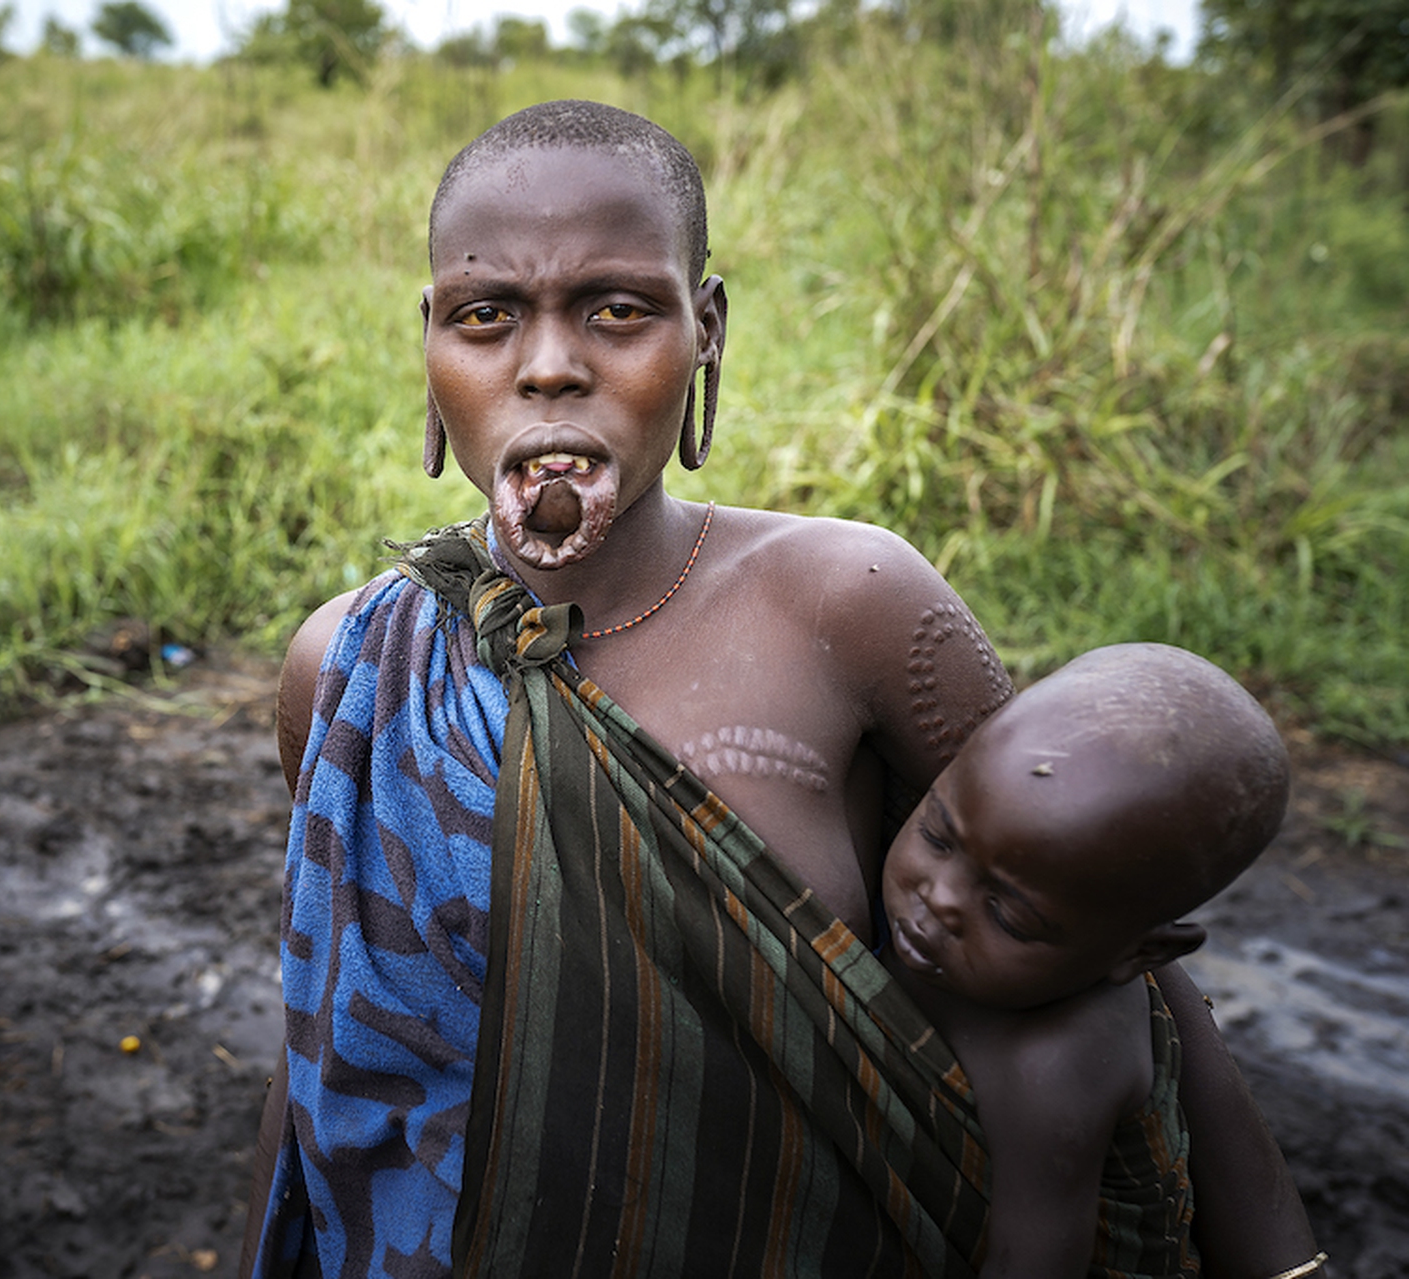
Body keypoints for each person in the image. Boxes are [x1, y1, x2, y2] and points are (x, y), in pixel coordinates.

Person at [243, 100, 1317, 1278]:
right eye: (486, 316)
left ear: (705, 329)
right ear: (432, 346)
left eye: (619, 309)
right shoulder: (349, 664)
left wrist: (1281, 1253)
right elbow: (326, 1033)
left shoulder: (844, 601)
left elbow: (1101, 918)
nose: (549, 366)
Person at [880, 642, 1322, 1278]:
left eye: (1010, 916)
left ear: (1139, 954)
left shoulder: (1054, 1064)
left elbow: (1030, 1263)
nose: (938, 896)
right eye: (936, 835)